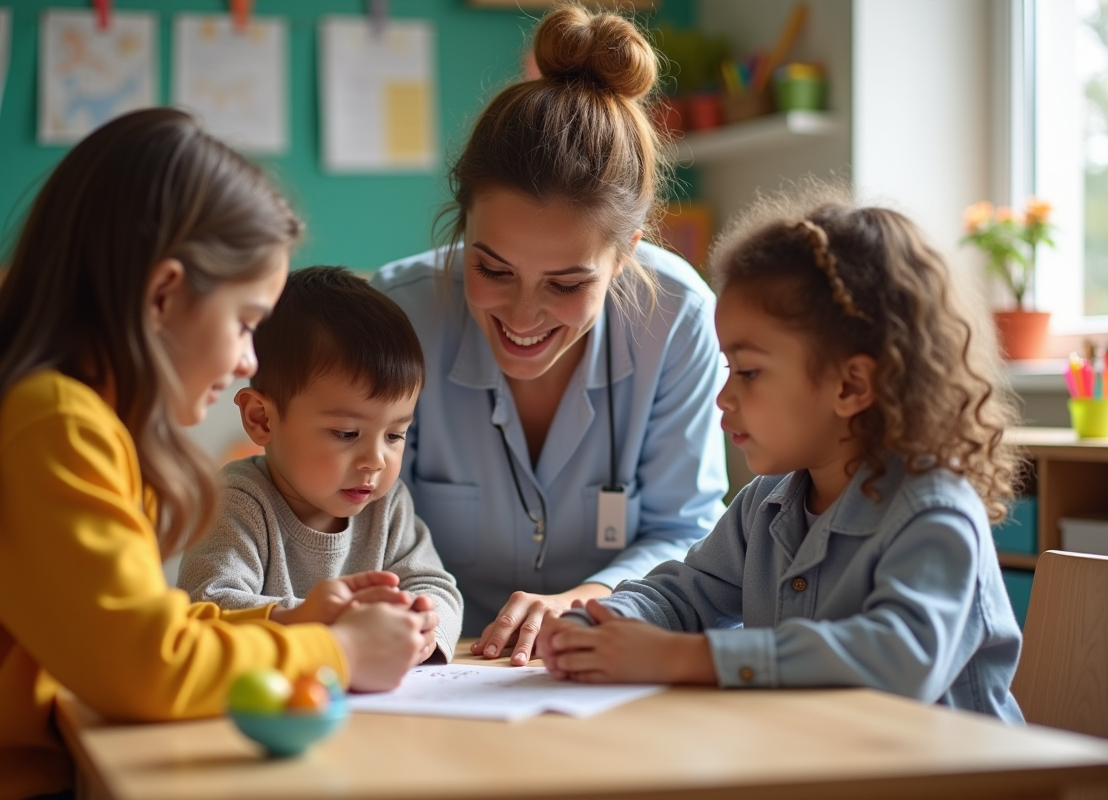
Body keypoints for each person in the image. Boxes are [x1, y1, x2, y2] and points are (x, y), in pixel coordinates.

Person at [0, 109, 429, 800]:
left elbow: (139, 624)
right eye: (246, 324)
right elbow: (146, 668)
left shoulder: (62, 418)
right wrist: (341, 653)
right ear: (163, 295)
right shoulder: (47, 425)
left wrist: (283, 620)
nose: (248, 360)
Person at [536, 186, 1026, 722]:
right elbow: (684, 594)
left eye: (748, 371)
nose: (724, 397)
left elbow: (899, 660)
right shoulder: (766, 504)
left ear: (851, 385)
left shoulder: (933, 512)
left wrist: (687, 657)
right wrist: (601, 621)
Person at [371, 3, 728, 665]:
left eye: (566, 284)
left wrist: (589, 598)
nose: (524, 315)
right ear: (462, 230)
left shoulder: (678, 317)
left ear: (626, 256)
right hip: (436, 669)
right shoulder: (394, 320)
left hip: (609, 655)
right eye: (493, 268)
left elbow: (687, 531)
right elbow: (360, 528)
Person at [178, 267, 463, 663]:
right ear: (262, 419)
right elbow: (206, 604)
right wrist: (313, 621)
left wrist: (422, 628)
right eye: (346, 434)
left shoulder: (387, 505)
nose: (375, 461)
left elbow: (437, 587)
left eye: (395, 435)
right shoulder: (238, 501)